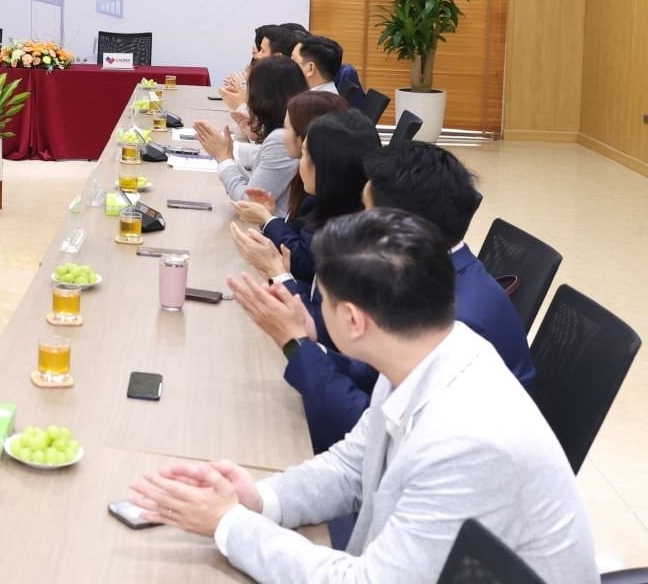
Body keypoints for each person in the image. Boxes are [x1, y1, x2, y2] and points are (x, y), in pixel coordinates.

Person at [131, 209, 595, 583]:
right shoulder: (426, 349)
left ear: (353, 321)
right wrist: (259, 499)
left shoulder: (468, 443)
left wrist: (229, 524)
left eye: (324, 301)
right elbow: (354, 466)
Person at [232, 141, 537, 457]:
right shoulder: (434, 275)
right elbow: (377, 375)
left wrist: (296, 346)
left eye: (367, 214)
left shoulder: (454, 321)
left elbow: (372, 435)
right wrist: (312, 344)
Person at [231, 108, 379, 286]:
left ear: (324, 166)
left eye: (305, 154)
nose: (299, 162)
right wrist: (270, 216)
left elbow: (304, 263)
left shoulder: (342, 222)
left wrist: (268, 220)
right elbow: (297, 242)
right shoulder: (320, 199)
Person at [194, 56, 305, 214]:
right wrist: (229, 154)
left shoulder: (281, 139)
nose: (247, 97)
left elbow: (248, 202)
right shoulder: (288, 129)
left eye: (249, 89)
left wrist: (223, 158)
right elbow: (254, 186)